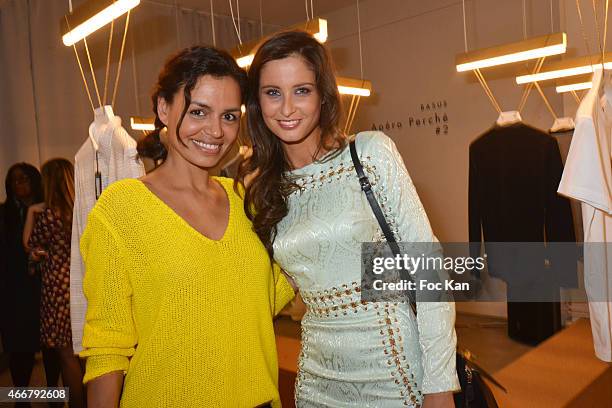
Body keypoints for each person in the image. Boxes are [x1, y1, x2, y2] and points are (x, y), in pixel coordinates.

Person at [239, 30, 460, 407]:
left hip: (393, 363)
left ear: (323, 95)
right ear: (257, 102)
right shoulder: (259, 187)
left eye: (302, 90)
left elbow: (428, 269)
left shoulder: (369, 153)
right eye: (273, 92)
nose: (287, 108)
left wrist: (439, 385)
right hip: (316, 374)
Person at [79, 46, 294, 408]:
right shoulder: (120, 209)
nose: (215, 131)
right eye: (198, 112)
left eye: (229, 116)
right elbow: (106, 347)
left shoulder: (246, 200)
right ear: (164, 108)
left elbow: (262, 299)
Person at [23, 158, 84, 407]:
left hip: (58, 290)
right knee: (86, 356)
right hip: (83, 284)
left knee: (66, 356)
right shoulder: (85, 211)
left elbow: (30, 244)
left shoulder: (49, 215)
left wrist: (31, 212)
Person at [0, 164, 44, 398]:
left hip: (46, 288)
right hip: (15, 291)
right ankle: (21, 397)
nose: (20, 184)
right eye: (14, 180)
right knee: (20, 349)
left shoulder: (48, 210)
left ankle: (55, 396)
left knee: (52, 350)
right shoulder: (4, 214)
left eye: (24, 179)